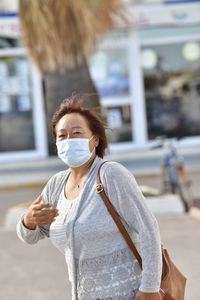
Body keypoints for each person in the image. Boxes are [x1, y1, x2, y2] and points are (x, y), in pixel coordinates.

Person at [17, 94, 163, 300]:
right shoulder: (57, 185)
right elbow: (31, 236)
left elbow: (148, 229)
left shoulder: (111, 174)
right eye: (62, 136)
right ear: (56, 144)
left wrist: (150, 288)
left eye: (77, 133)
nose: (69, 140)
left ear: (94, 140)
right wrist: (27, 221)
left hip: (129, 294)